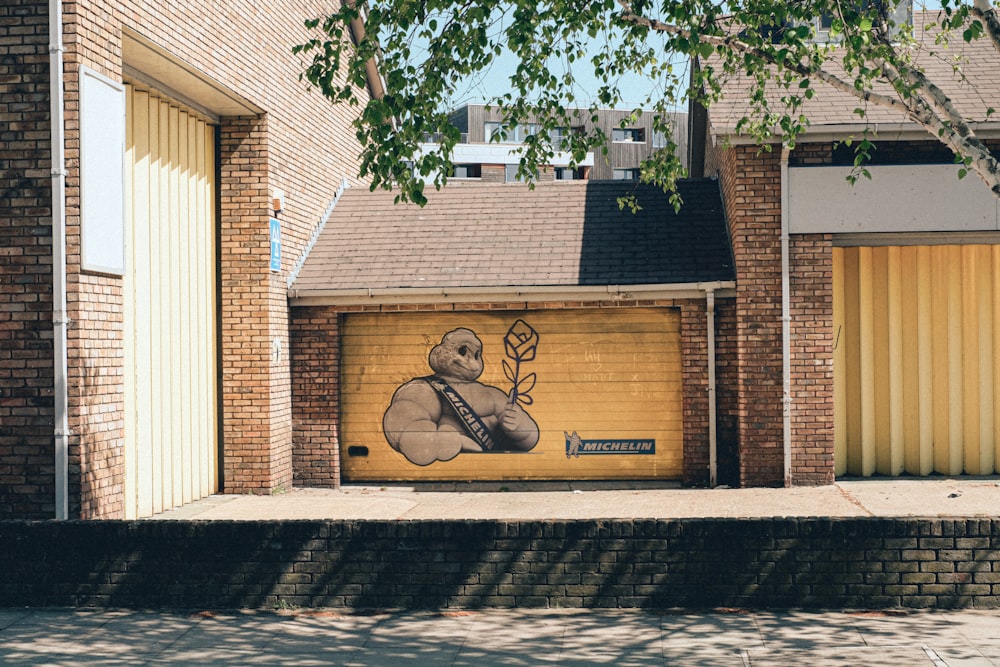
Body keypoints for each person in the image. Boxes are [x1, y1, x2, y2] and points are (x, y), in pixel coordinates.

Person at [382, 328, 539, 466]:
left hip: (491, 470)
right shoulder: (423, 389)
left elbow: (528, 440)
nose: (470, 360)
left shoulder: (493, 394)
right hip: (445, 470)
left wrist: (520, 428)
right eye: (462, 351)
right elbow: (405, 431)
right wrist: (450, 441)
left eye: (476, 354)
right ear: (441, 352)